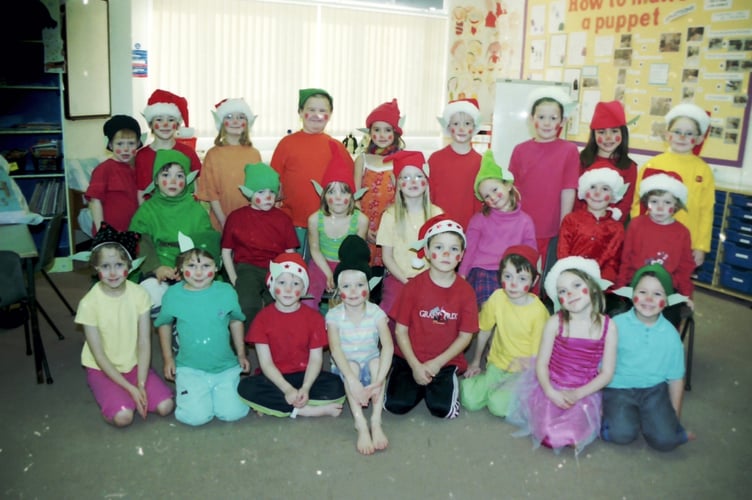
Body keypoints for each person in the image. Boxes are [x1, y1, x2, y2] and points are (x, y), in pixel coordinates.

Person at [507, 256, 618, 454]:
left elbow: (607, 373)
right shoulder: (554, 323)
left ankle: (585, 418)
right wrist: (550, 392)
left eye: (577, 285)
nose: (571, 293)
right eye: (563, 291)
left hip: (584, 390)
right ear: (559, 299)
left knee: (572, 433)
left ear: (592, 286)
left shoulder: (608, 327)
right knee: (549, 434)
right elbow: (542, 365)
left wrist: (578, 394)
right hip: (551, 384)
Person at [74, 225, 174, 427]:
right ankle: (113, 400)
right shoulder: (89, 303)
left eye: (119, 265)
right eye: (105, 266)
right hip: (102, 368)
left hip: (133, 364)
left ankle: (128, 394)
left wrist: (141, 383)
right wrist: (131, 388)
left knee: (166, 406)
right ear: (96, 268)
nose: (112, 273)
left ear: (130, 265)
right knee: (123, 417)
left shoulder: (139, 294)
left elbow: (144, 341)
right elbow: (99, 355)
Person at [384, 215, 478, 419]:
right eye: (438, 247)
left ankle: (432, 385)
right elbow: (400, 330)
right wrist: (416, 366)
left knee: (442, 410)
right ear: (426, 252)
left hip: (445, 361)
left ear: (461, 255)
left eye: (453, 249)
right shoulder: (412, 287)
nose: (446, 253)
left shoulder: (466, 292)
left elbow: (465, 336)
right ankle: (416, 382)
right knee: (395, 405)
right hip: (409, 358)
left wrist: (436, 364)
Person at [155, 232, 250, 426]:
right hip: (190, 367)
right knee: (196, 418)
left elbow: (235, 321)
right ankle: (195, 392)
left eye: (205, 266)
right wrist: (168, 359)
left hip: (225, 366)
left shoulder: (226, 292)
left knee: (233, 413)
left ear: (216, 268)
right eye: (191, 266)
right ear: (180, 269)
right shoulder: (173, 295)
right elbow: (164, 324)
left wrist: (241, 354)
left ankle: (214, 391)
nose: (199, 273)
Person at [237, 253, 346, 418]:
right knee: (245, 387)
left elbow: (316, 359)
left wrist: (306, 388)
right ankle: (304, 410)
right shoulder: (262, 319)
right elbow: (265, 363)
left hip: (304, 375)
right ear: (272, 286)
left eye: (295, 284)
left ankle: (278, 405)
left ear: (303, 289)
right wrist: (287, 389)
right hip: (274, 378)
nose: (288, 289)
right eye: (282, 282)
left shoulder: (314, 318)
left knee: (337, 385)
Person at [602, 263, 694, 451]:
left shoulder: (671, 336)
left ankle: (650, 420)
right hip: (620, 388)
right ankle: (612, 422)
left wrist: (674, 419)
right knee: (622, 434)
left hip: (654, 391)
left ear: (667, 300)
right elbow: (600, 365)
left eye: (658, 294)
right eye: (643, 292)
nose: (649, 299)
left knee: (666, 441)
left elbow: (676, 379)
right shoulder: (615, 325)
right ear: (632, 293)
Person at [461, 245, 549, 417]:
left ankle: (525, 394)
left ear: (534, 281)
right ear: (500, 276)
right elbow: (484, 330)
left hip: (523, 370)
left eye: (522, 279)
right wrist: (476, 362)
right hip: (496, 364)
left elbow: (538, 356)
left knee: (497, 406)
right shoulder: (497, 297)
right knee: (470, 400)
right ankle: (491, 386)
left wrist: (519, 375)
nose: (514, 284)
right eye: (508, 276)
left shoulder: (538, 312)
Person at [326, 235, 393, 454]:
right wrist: (353, 381)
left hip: (371, 368)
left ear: (369, 285)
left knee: (376, 363)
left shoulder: (376, 313)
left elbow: (388, 347)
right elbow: (335, 350)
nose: (353, 291)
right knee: (352, 366)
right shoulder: (334, 315)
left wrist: (379, 381)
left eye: (359, 285)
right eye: (346, 286)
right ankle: (360, 423)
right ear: (337, 289)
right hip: (347, 369)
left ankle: (375, 420)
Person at [128, 149, 217, 311]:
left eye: (179, 176)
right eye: (166, 175)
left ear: (187, 180)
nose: (173, 181)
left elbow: (205, 244)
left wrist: (187, 268)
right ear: (156, 180)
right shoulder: (147, 210)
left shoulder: (195, 210)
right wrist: (158, 268)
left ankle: (184, 322)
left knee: (201, 298)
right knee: (150, 291)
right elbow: (140, 242)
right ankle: (166, 320)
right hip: (158, 268)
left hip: (191, 269)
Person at [270, 88, 354, 257]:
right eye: (311, 110)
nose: (317, 115)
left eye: (322, 111)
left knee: (320, 271)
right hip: (293, 222)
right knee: (295, 268)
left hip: (327, 223)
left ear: (330, 115)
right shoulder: (286, 144)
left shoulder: (336, 146)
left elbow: (350, 187)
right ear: (300, 112)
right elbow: (273, 181)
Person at [630, 102, 714, 267]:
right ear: (668, 135)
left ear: (698, 139)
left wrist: (700, 247)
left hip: (686, 241)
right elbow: (638, 204)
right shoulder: (652, 165)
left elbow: (706, 211)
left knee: (678, 284)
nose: (682, 137)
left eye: (689, 133)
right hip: (652, 237)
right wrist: (638, 234)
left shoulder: (703, 170)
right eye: (677, 132)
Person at [221, 162, 298, 331]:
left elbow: (290, 253)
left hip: (277, 268)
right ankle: (248, 337)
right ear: (249, 193)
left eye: (272, 192)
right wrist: (235, 279)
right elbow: (226, 252)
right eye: (261, 192)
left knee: (282, 302)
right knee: (247, 303)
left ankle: (277, 337)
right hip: (247, 268)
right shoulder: (236, 217)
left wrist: (290, 276)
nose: (268, 197)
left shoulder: (282, 219)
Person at [509, 87, 579, 264]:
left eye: (553, 118)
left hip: (552, 229)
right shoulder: (520, 150)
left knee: (545, 278)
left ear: (562, 121)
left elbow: (569, 189)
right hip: (522, 226)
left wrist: (564, 225)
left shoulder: (569, 151)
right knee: (522, 271)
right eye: (541, 117)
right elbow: (512, 189)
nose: (547, 123)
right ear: (532, 120)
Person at [459, 149, 536, 308]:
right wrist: (462, 275)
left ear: (507, 185)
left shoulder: (525, 221)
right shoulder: (479, 220)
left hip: (511, 273)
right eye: (486, 196)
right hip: (483, 270)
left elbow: (530, 253)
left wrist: (529, 277)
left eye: (495, 190)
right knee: (489, 307)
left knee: (510, 309)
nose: (492, 197)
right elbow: (470, 249)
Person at [618, 170, 696, 326]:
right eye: (654, 202)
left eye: (667, 202)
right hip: (635, 285)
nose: (660, 208)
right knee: (626, 321)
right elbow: (625, 258)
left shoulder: (682, 232)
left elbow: (685, 267)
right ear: (647, 202)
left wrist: (686, 295)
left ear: (676, 204)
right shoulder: (636, 225)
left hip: (667, 290)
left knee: (669, 321)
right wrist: (620, 286)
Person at [375, 150, 443, 316]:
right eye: (405, 177)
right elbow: (387, 257)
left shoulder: (437, 214)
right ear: (397, 184)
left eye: (418, 176)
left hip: (431, 279)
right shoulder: (390, 216)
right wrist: (406, 282)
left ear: (426, 182)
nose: (412, 181)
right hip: (399, 279)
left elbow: (442, 253)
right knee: (394, 311)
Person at [306, 143, 368, 311]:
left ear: (352, 195)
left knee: (353, 297)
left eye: (344, 192)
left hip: (349, 264)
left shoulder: (361, 220)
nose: (338, 197)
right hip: (321, 264)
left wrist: (341, 273)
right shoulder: (314, 219)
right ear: (324, 196)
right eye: (332, 192)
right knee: (308, 297)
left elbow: (356, 253)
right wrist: (328, 273)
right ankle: (312, 332)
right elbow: (315, 250)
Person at [196, 98, 262, 230]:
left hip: (249, 219)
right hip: (221, 219)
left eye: (241, 117)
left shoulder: (254, 154)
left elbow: (258, 190)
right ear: (222, 123)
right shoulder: (213, 154)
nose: (235, 121)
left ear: (247, 123)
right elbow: (211, 192)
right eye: (230, 117)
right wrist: (222, 220)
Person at [353, 98, 405, 267]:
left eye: (387, 130)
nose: (382, 135)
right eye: (377, 129)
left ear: (395, 133)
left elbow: (404, 200)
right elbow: (354, 199)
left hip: (392, 229)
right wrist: (364, 229)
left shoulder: (401, 161)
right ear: (370, 132)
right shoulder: (362, 160)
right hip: (366, 228)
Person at [557, 167, 627, 284]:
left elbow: (612, 262)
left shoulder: (617, 228)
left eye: (605, 189)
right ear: (584, 191)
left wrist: (599, 281)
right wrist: (572, 276)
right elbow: (563, 253)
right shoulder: (571, 220)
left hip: (599, 284)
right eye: (593, 187)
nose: (597, 193)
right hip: (570, 279)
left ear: (613, 195)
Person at [135, 89, 201, 204]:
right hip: (153, 215)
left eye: (171, 120)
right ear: (150, 123)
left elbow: (198, 185)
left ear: (177, 125)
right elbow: (140, 191)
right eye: (159, 120)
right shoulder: (142, 155)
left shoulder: (188, 152)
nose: (165, 125)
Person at [578, 100, 637, 225]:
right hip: (581, 227)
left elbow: (625, 205)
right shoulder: (581, 161)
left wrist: (605, 228)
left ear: (623, 133)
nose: (608, 137)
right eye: (602, 132)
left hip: (611, 230)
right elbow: (576, 199)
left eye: (614, 131)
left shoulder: (629, 167)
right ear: (593, 135)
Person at [428, 98, 483, 230]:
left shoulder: (481, 162)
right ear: (448, 127)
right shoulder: (435, 159)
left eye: (467, 123)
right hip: (439, 226)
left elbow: (482, 202)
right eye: (456, 123)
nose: (461, 128)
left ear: (475, 127)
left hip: (470, 229)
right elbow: (428, 196)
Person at [85, 115, 143, 235]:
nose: (125, 149)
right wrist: (102, 230)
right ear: (111, 145)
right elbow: (95, 202)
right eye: (120, 144)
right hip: (109, 233)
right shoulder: (103, 169)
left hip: (133, 231)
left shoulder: (137, 168)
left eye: (131, 144)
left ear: (138, 144)